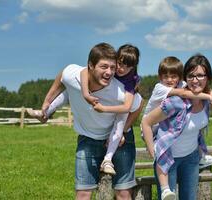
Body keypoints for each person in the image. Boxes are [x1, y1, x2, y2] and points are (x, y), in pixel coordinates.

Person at [38, 43, 142, 200]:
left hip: (118, 140)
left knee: (123, 192)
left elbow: (136, 105)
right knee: (83, 192)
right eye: (104, 67)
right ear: (90, 66)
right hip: (88, 138)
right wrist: (47, 102)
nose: (110, 72)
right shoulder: (76, 77)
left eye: (112, 67)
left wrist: (125, 130)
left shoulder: (123, 89)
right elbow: (62, 76)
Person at [142, 54, 212, 200]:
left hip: (191, 158)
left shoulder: (205, 101)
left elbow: (199, 125)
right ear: (185, 77)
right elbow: (146, 122)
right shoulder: (175, 102)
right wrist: (152, 151)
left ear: (208, 77)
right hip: (169, 159)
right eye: (191, 76)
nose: (195, 80)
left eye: (200, 75)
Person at [80, 44, 141, 175]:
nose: (121, 69)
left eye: (128, 66)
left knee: (119, 130)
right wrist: (86, 93)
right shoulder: (109, 70)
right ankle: (48, 108)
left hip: (121, 109)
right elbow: (84, 71)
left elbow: (126, 107)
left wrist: (104, 109)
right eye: (120, 63)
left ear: (133, 67)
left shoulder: (131, 80)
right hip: (106, 113)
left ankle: (107, 160)